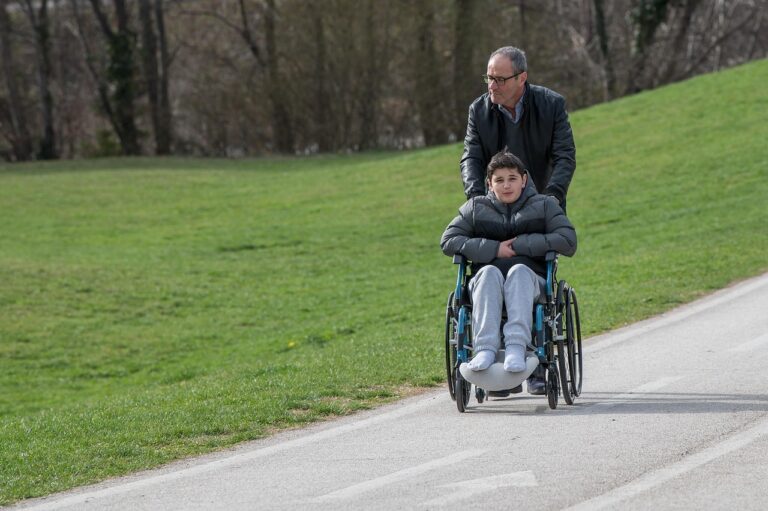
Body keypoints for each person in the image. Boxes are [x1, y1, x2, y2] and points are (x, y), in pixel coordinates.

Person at [441, 150, 576, 390]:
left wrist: (521, 245)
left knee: (519, 272)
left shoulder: (544, 205)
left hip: (531, 281)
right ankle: (484, 350)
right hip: (485, 281)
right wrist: (495, 250)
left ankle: (516, 347)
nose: (506, 185)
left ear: (524, 180)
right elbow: (449, 241)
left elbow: (567, 240)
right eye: (499, 180)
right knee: (489, 273)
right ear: (489, 184)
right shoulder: (475, 208)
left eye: (512, 178)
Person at [460, 46, 576, 211]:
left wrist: (553, 196)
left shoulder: (551, 105)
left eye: (500, 80)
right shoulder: (478, 111)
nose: (492, 86)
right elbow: (471, 158)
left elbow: (565, 156)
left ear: (522, 78)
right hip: (496, 211)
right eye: (489, 78)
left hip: (545, 206)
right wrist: (476, 200)